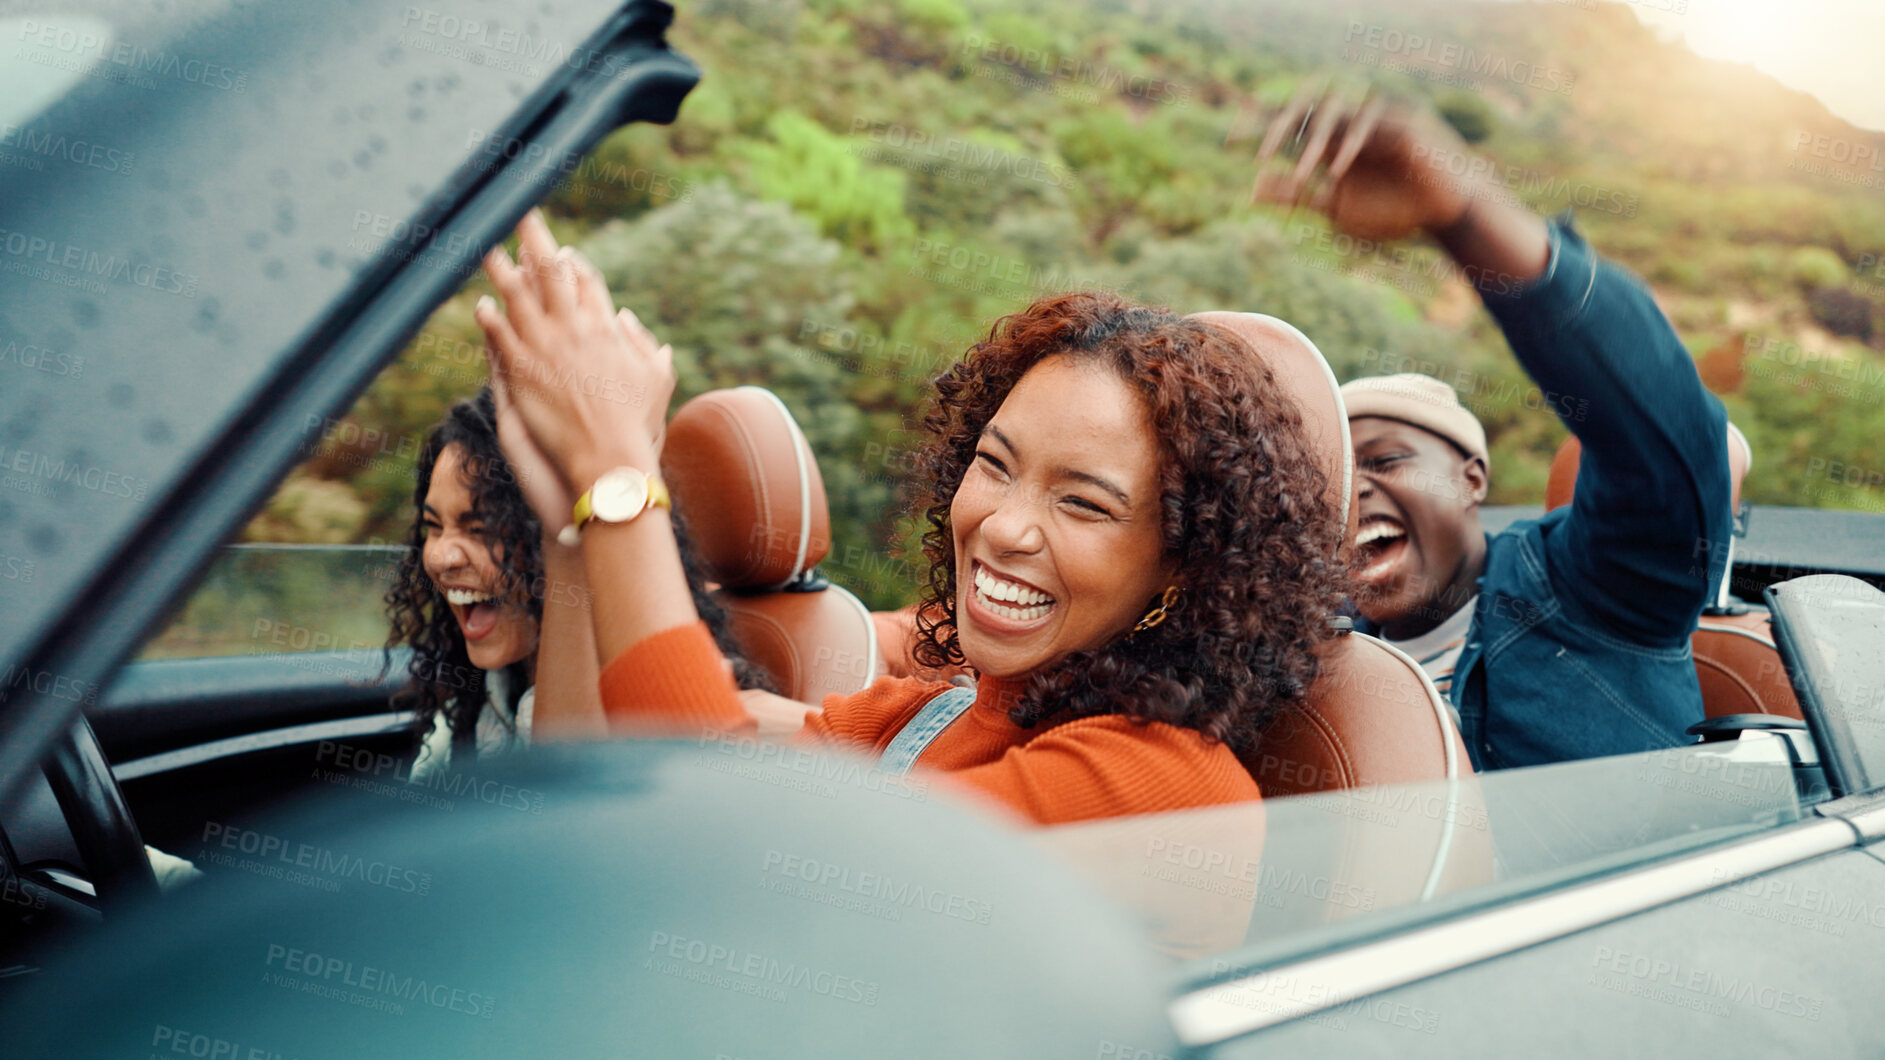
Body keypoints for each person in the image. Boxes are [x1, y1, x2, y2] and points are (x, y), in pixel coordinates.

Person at [471, 231, 1350, 826]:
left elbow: (715, 822)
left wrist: (619, 472)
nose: (1004, 527)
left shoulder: (1159, 784)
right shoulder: (929, 714)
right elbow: (625, 758)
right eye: (995, 464)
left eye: (1081, 502)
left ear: (1180, 572)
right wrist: (571, 531)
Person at [1253, 93, 1731, 770]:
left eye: (1385, 460)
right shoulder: (1309, 653)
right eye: (1327, 480)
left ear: (1471, 477)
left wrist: (1467, 213)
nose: (1350, 494)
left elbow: (1662, 427)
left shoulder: (1595, 588)